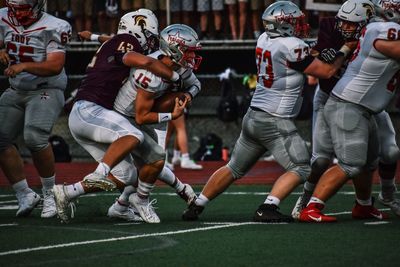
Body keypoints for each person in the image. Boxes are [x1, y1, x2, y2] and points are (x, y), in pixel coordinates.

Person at [182, 1, 355, 222]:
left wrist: (318, 48)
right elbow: (326, 71)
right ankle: (268, 207)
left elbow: (300, 53)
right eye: (294, 22)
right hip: (274, 119)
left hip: (253, 115)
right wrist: (345, 48)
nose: (299, 25)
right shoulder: (292, 45)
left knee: (234, 167)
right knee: (302, 167)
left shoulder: (264, 39)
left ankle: (197, 204)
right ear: (282, 25)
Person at [52, 9, 182, 222]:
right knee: (133, 135)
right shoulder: (128, 40)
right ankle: (99, 173)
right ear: (138, 31)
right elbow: (143, 61)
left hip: (87, 116)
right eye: (150, 36)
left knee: (127, 176)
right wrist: (174, 76)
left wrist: (93, 36)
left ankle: (67, 193)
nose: (151, 43)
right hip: (90, 109)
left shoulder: (116, 41)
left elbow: (111, 41)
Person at [291, 0, 398, 220]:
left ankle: (365, 204)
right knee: (338, 161)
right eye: (343, 22)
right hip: (342, 100)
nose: (345, 27)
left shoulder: (372, 28)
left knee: (372, 160)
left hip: (366, 105)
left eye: (351, 24)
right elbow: (324, 70)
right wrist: (338, 50)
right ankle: (308, 204)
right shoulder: (375, 30)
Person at [109, 23, 202, 223]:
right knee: (127, 174)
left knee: (153, 162)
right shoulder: (149, 71)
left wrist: (187, 94)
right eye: (189, 52)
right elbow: (142, 116)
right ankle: (70, 192)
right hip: (123, 119)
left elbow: (196, 84)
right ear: (174, 49)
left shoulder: (180, 67)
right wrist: (172, 115)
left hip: (144, 117)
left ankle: (122, 205)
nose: (193, 57)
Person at [0, 0, 71, 218]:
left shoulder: (56, 26)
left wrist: (24, 65)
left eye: (23, 8)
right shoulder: (3, 16)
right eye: (15, 8)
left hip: (46, 88)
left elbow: (55, 65)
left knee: (34, 137)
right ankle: (25, 194)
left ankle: (50, 193)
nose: (18, 13)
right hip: (17, 89)